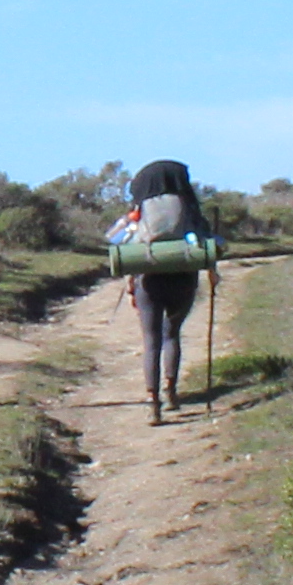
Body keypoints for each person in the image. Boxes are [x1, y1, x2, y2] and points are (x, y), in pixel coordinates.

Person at [109, 158, 211, 422]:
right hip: (183, 278)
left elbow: (117, 240)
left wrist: (131, 283)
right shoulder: (188, 206)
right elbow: (208, 242)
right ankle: (171, 391)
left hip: (149, 280)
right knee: (172, 335)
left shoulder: (139, 210)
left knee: (151, 341)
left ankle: (152, 401)